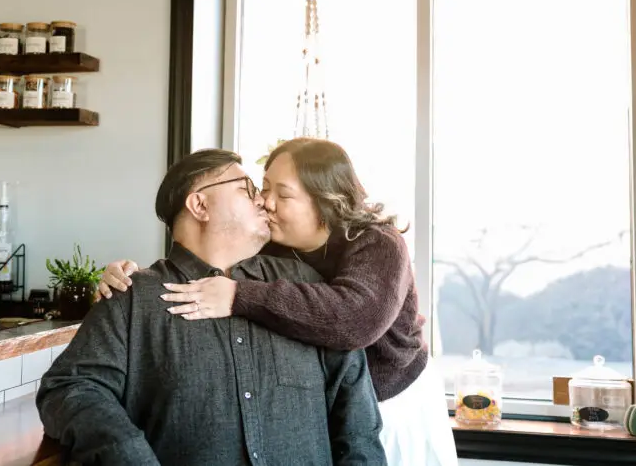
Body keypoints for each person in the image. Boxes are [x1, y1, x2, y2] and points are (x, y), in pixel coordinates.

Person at [97, 138, 458, 466]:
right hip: (340, 403)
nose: (264, 202)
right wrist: (132, 275)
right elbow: (207, 251)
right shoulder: (275, 250)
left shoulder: (378, 242)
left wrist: (238, 295)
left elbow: (355, 319)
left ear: (324, 199)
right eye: (263, 188)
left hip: (397, 398)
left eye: (282, 195)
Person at [37, 148, 387, 466]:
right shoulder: (132, 297)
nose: (263, 201)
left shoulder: (307, 286)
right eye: (247, 188)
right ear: (200, 205)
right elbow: (69, 388)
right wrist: (129, 456)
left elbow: (357, 423)